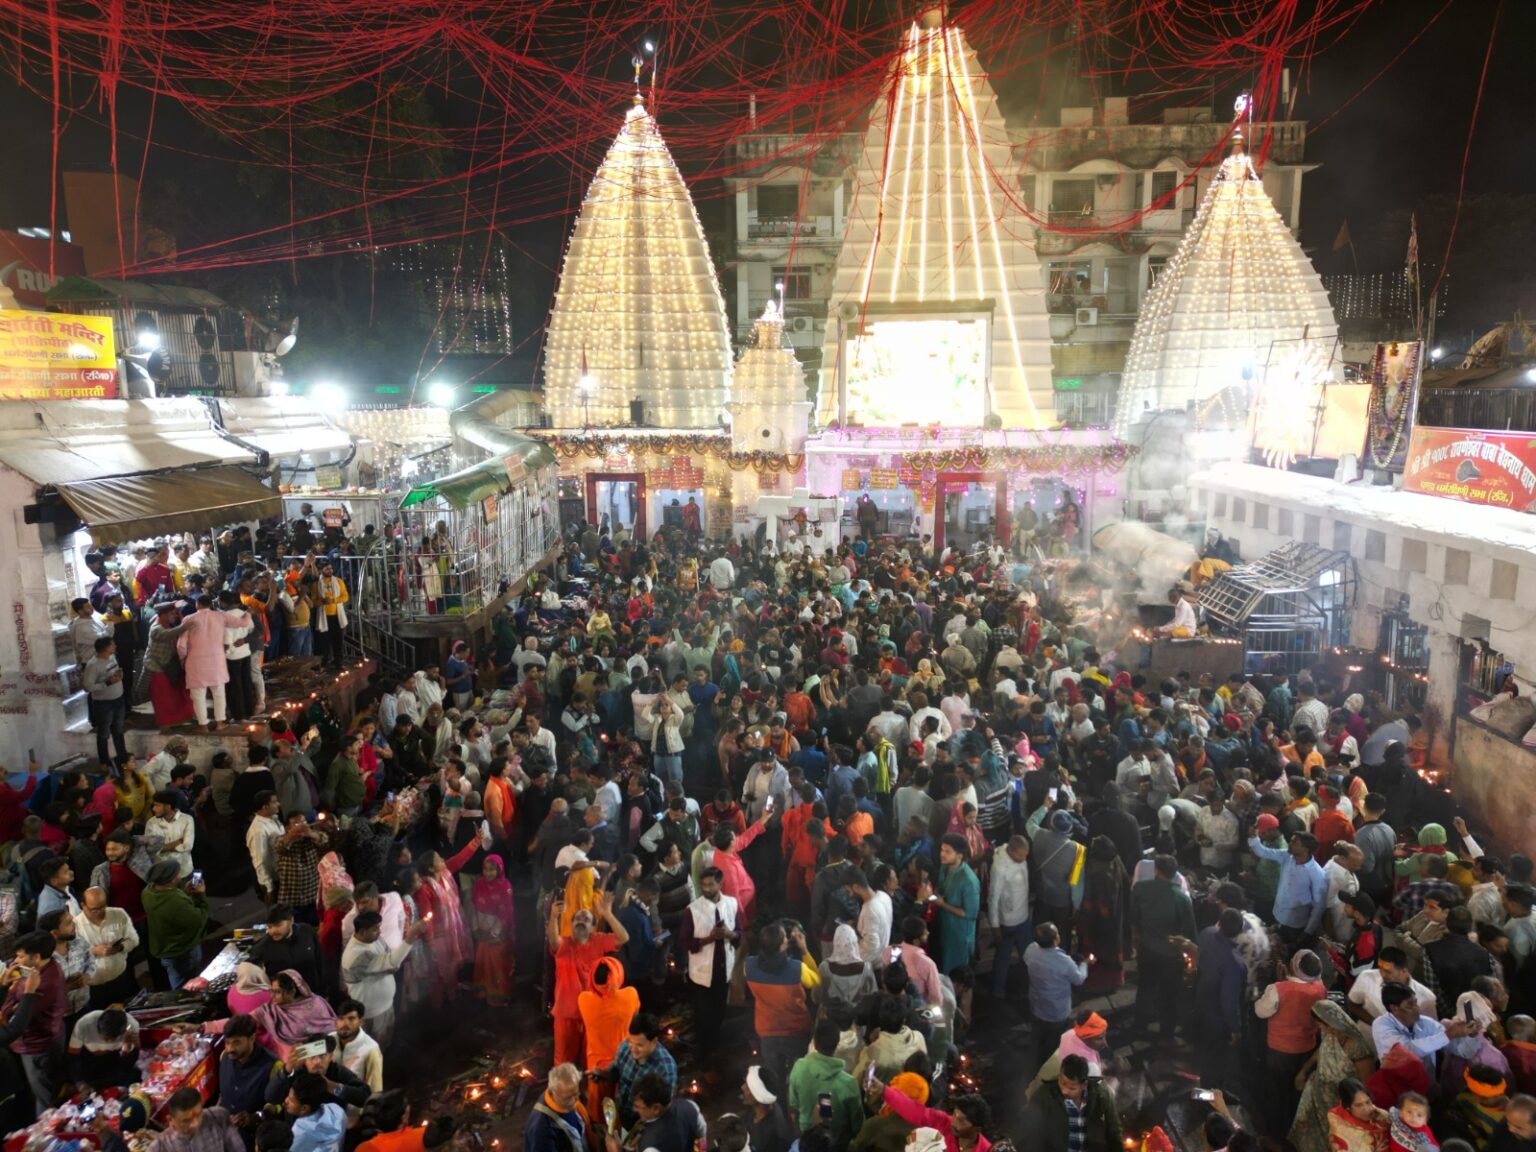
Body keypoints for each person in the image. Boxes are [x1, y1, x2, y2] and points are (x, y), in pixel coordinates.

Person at [1130, 853, 1195, 1038]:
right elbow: (1188, 932)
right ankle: (1166, 1033)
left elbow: (1134, 917)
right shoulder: (1181, 898)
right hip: (1170, 954)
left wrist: (1136, 938)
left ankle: (1139, 1026)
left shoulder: (1141, 888)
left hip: (1147, 948)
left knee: (1145, 987)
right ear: (1174, 873)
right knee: (1169, 994)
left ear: (1156, 869)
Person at [5, 930, 67, 1114]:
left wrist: (9, 995)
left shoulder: (43, 984)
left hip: (36, 1048)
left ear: (37, 957)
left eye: (20, 956)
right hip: (45, 1040)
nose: (16, 961)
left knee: (44, 1098)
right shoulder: (44, 968)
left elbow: (13, 1018)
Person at [678, 866, 738, 1055]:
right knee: (703, 1016)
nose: (706, 889)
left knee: (719, 1011)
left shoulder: (732, 904)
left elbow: (740, 934)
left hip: (723, 970)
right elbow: (685, 942)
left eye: (711, 884)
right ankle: (703, 1054)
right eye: (703, 885)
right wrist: (709, 939)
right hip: (702, 974)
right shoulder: (693, 910)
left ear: (720, 883)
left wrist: (730, 934)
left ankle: (716, 1048)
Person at [342, 910, 419, 1046]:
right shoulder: (355, 955)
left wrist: (391, 963)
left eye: (379, 928)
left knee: (386, 1043)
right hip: (372, 1013)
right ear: (362, 932)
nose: (379, 932)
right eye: (375, 929)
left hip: (386, 1007)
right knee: (373, 1049)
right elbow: (392, 961)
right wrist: (410, 938)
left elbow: (390, 960)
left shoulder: (375, 939)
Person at [787, 1019, 864, 1150]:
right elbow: (857, 1123)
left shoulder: (799, 1067)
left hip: (807, 1136)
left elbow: (793, 1104)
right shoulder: (849, 1083)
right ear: (837, 1044)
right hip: (838, 1141)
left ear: (815, 1044)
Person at [1019, 1054, 1120, 1152]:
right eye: (1062, 1083)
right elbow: (1027, 1128)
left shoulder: (1101, 1094)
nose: (1064, 1091)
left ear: (1084, 1084)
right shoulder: (1046, 1094)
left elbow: (1114, 1134)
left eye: (1072, 1088)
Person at [1024, 923, 1088, 1069]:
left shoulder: (1031, 950)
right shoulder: (1064, 961)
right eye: (1057, 934)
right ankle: (1047, 1069)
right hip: (1056, 1012)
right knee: (1053, 1045)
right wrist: (1084, 964)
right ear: (1055, 940)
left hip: (1036, 1005)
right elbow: (1078, 979)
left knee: (1038, 1037)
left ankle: (1034, 1062)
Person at [143, 860, 210, 988]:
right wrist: (200, 895)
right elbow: (198, 920)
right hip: (181, 952)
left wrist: (184, 893)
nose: (180, 877)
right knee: (186, 988)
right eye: (177, 875)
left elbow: (172, 909)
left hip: (166, 950)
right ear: (171, 880)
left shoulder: (148, 892)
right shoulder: (175, 902)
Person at [217, 1014, 281, 1140]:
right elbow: (223, 1094)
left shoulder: (272, 1065)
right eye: (227, 1042)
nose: (230, 1048)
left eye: (237, 1043)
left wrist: (256, 1116)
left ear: (252, 1038)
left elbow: (278, 1105)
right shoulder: (224, 1056)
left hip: (254, 1137)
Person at [76, 885, 140, 1009]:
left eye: (103, 906)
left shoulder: (118, 914)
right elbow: (73, 957)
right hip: (94, 987)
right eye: (94, 909)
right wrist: (93, 951)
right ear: (83, 905)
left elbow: (134, 940)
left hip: (120, 980)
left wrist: (119, 948)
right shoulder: (75, 925)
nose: (100, 912)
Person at [928, 834, 981, 975]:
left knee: (958, 976)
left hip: (960, 935)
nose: (942, 854)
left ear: (960, 855)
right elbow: (941, 888)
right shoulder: (944, 868)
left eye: (947, 851)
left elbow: (970, 914)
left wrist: (943, 904)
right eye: (942, 850)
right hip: (946, 929)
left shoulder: (969, 881)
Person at [987, 835, 1031, 999]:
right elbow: (993, 897)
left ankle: (1027, 984)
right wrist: (995, 926)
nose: (1023, 859)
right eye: (1020, 856)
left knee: (1028, 954)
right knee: (1003, 957)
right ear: (1011, 851)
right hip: (1008, 921)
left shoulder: (1018, 857)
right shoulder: (999, 868)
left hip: (1024, 916)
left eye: (1026, 856)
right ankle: (998, 989)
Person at [151, 1088, 246, 1152]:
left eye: (199, 1115)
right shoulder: (161, 1146)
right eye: (186, 1121)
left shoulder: (218, 1118)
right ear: (170, 1119)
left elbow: (238, 1149)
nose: (195, 1124)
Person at [82, 637, 129, 766]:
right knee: (104, 733)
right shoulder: (93, 665)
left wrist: (119, 675)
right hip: (104, 704)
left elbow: (114, 671)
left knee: (119, 730)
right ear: (105, 648)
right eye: (112, 645)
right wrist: (107, 683)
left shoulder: (112, 657)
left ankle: (123, 758)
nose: (115, 646)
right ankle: (104, 762)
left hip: (118, 699)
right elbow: (88, 686)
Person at [525, 1063, 588, 1152]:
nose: (575, 1100)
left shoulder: (565, 1097)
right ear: (552, 1093)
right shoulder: (541, 1129)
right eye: (568, 1098)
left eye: (576, 1094)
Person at [285, 1070, 347, 1152]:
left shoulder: (299, 1132)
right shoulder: (337, 1111)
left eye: (291, 1100)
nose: (286, 1101)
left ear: (304, 1108)